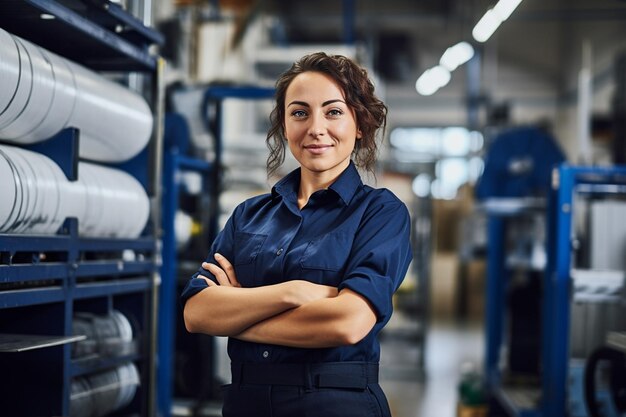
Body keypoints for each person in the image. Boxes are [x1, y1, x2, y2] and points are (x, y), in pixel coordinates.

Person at [181, 52, 412, 417]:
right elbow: (197, 313)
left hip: (335, 403)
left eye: (333, 111)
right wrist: (295, 292)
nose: (315, 128)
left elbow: (348, 322)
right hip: (246, 404)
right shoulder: (248, 215)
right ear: (285, 126)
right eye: (300, 112)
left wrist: (240, 315)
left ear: (360, 124)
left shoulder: (380, 213)